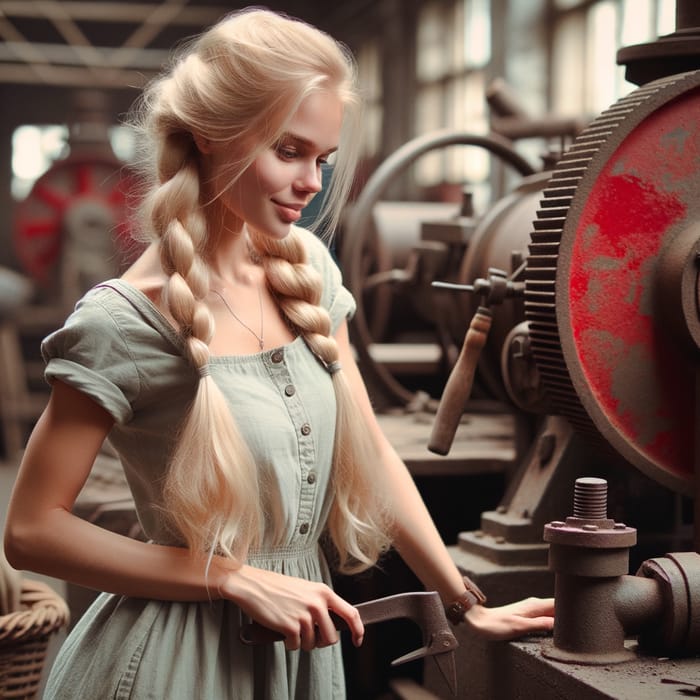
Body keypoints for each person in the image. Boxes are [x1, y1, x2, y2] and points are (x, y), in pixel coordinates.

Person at [3, 8, 553, 699]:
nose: (313, 183)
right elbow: (30, 531)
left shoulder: (310, 273)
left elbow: (371, 452)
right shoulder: (121, 320)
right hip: (172, 667)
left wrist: (463, 602)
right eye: (288, 152)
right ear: (210, 135)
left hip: (297, 658)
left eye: (322, 159)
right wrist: (228, 575)